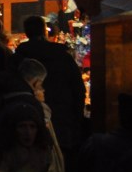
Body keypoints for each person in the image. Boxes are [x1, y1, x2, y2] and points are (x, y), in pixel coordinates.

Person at [13, 14, 86, 156]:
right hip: (63, 117)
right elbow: (78, 89)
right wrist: (77, 117)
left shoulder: (19, 59)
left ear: (26, 32)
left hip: (31, 120)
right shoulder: (63, 56)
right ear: (44, 31)